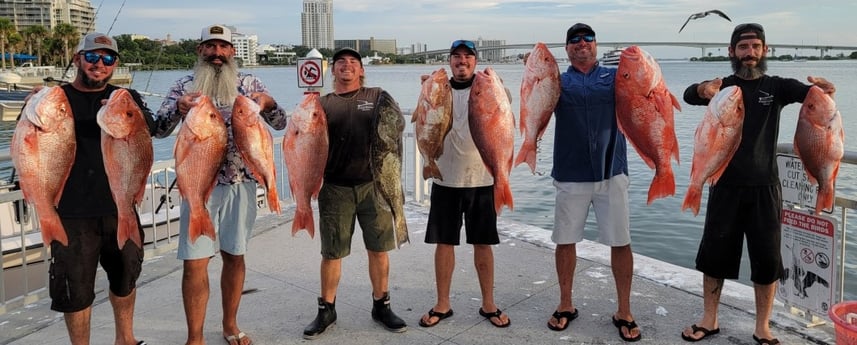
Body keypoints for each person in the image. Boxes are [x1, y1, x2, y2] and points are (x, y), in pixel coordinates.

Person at [680, 23, 835, 344]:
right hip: (723, 185)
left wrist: (824, 88)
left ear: (765, 50)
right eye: (742, 47)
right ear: (731, 52)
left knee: (767, 260)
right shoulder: (723, 87)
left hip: (765, 187)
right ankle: (709, 319)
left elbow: (812, 98)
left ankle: (762, 326)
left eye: (755, 47)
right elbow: (689, 94)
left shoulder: (777, 87)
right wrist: (703, 89)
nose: (749, 53)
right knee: (715, 256)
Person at [153, 24, 287, 345]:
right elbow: (158, 129)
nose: (217, 53)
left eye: (223, 47)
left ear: (232, 52)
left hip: (241, 183)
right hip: (198, 186)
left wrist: (268, 104)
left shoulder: (250, 84)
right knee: (194, 262)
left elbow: (280, 123)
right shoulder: (184, 86)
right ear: (200, 51)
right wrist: (177, 108)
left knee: (235, 255)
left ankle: (230, 325)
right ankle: (195, 337)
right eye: (210, 47)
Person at [41, 32, 152, 345]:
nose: (99, 64)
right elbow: (31, 137)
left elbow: (152, 129)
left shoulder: (124, 98)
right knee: (76, 290)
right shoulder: (56, 100)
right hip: (72, 213)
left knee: (126, 276)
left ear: (115, 64)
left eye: (107, 58)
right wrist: (35, 104)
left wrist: (134, 114)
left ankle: (125, 339)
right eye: (91, 56)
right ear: (77, 59)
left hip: (120, 208)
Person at [302, 47, 408, 339]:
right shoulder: (322, 104)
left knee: (379, 248)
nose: (347, 66)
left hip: (374, 184)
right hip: (334, 187)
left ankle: (381, 304)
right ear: (332, 70)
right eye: (340, 63)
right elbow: (304, 141)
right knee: (332, 252)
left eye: (353, 62)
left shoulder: (377, 97)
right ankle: (327, 309)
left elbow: (397, 126)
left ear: (361, 70)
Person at [546, 23, 641, 342]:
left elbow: (644, 98)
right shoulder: (557, 82)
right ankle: (565, 304)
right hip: (570, 173)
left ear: (596, 45)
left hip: (611, 172)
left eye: (587, 38)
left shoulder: (616, 78)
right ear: (567, 49)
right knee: (565, 240)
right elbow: (534, 107)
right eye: (574, 40)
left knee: (620, 241)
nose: (581, 43)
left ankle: (624, 310)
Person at [417, 39, 511, 329]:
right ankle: (442, 303)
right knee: (444, 244)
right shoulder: (437, 88)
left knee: (483, 243)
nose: (462, 61)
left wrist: (499, 88)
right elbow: (422, 120)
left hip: (482, 179)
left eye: (468, 57)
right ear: (450, 61)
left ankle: (489, 304)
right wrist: (426, 89)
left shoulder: (488, 87)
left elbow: (504, 115)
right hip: (445, 179)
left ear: (475, 62)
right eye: (456, 56)